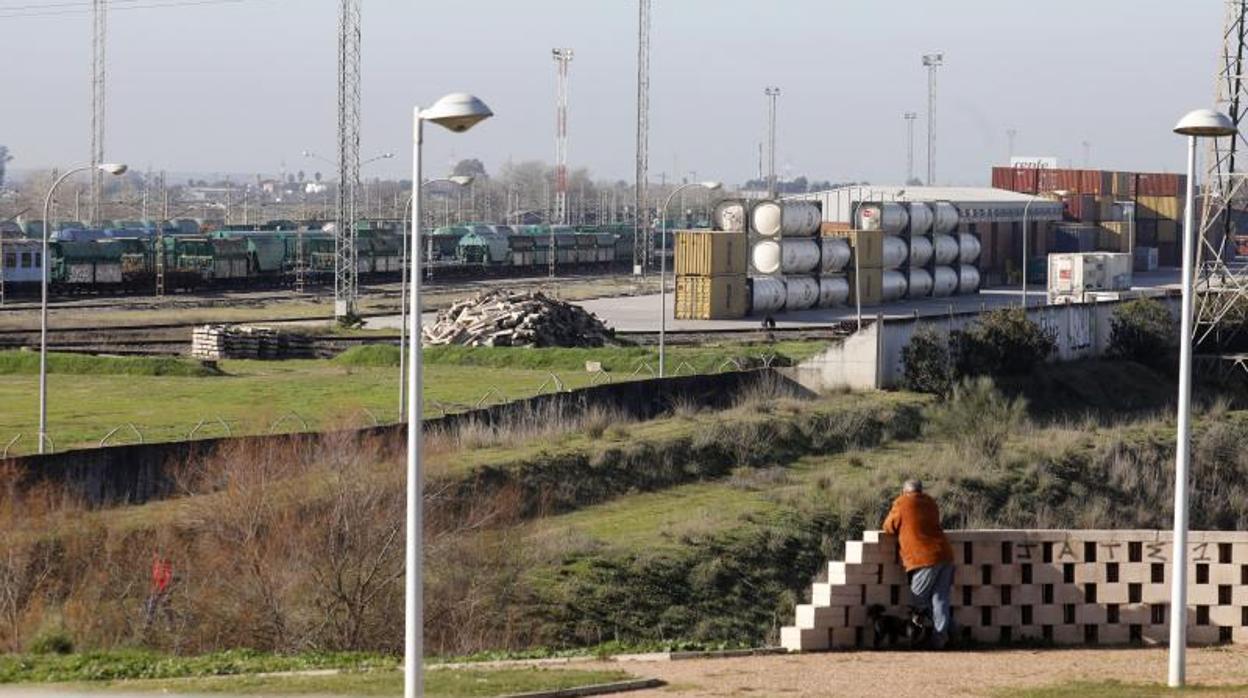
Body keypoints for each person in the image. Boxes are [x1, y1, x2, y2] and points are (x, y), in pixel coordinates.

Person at [882, 479, 955, 649]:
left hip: (923, 558)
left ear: (904, 491)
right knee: (941, 600)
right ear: (921, 491)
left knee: (918, 600)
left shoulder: (902, 502)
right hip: (945, 554)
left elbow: (888, 527)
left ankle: (921, 637)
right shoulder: (930, 502)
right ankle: (943, 637)